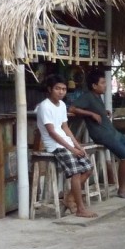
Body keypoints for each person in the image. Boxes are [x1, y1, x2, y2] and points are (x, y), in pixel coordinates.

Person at [68, 68, 125, 199]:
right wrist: (91, 114)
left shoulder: (97, 97)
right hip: (102, 134)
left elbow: (95, 109)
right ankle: (122, 190)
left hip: (112, 132)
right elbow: (72, 108)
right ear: (94, 85)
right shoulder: (87, 96)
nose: (105, 85)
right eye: (103, 83)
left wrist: (103, 113)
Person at [37, 74, 96, 218]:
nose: (61, 92)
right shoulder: (44, 106)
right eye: (57, 88)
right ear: (50, 89)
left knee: (88, 168)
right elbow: (52, 132)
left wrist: (78, 146)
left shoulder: (62, 105)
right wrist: (72, 149)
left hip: (66, 143)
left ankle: (69, 198)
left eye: (63, 89)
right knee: (76, 172)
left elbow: (65, 127)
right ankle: (80, 209)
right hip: (54, 146)